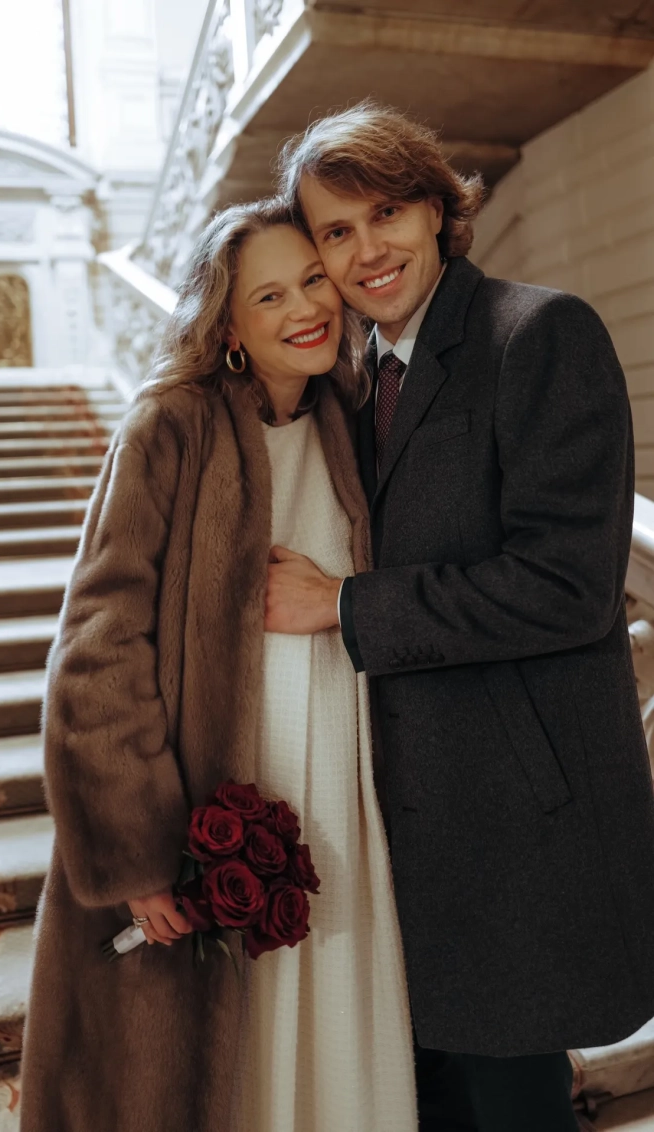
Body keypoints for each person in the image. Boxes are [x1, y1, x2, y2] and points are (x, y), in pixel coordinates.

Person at [263, 99, 654, 1131]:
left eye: (386, 213)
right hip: (398, 822)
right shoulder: (351, 378)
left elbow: (565, 585)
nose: (366, 251)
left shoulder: (537, 333)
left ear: (437, 208)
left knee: (514, 1102)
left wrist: (341, 605)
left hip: (517, 817)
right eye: (335, 232)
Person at [19, 197, 418, 1132]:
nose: (305, 308)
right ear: (228, 326)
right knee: (220, 1067)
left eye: (313, 281)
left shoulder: (350, 415)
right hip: (217, 789)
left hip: (341, 790)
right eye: (269, 296)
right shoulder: (170, 426)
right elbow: (98, 648)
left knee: (335, 1032)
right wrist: (139, 851)